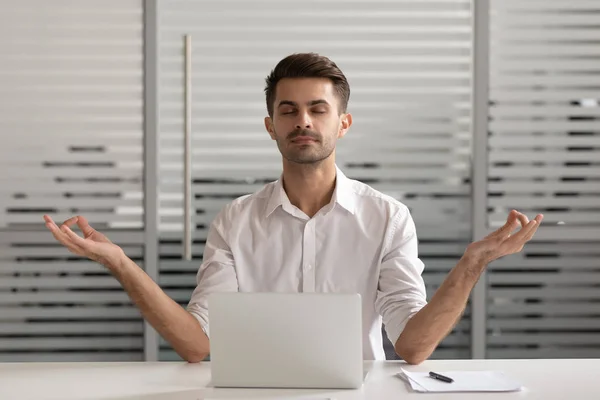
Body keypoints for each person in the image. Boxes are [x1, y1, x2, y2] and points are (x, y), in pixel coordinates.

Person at [44, 52, 543, 364]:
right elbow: (198, 345)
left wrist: (472, 263)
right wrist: (119, 262)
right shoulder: (235, 220)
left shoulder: (388, 217)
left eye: (317, 109)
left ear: (343, 124)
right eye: (288, 110)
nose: (302, 121)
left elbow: (411, 347)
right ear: (270, 125)